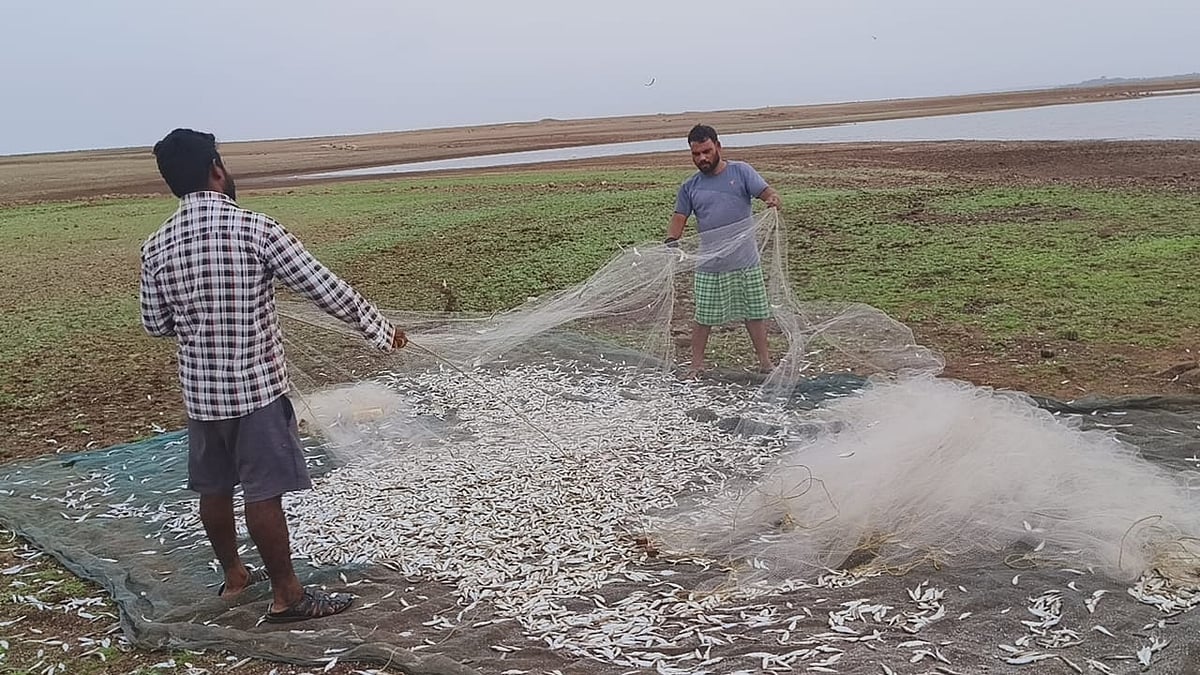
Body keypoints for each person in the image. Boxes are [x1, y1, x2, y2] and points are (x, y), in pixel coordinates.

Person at [139, 128, 407, 623]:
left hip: (201, 397)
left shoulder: (155, 246)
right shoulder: (254, 228)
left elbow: (156, 325)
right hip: (255, 392)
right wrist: (380, 328)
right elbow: (322, 287)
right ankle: (288, 596)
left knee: (215, 489)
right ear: (216, 169)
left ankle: (235, 576)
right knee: (263, 493)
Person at [666, 124, 781, 376]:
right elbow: (679, 216)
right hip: (710, 265)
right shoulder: (690, 186)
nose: (702, 158)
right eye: (696, 154)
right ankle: (696, 365)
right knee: (703, 317)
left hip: (745, 261)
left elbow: (765, 192)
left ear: (718, 146)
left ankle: (765, 363)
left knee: (754, 314)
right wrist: (671, 240)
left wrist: (772, 198)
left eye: (706, 151)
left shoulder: (741, 172)